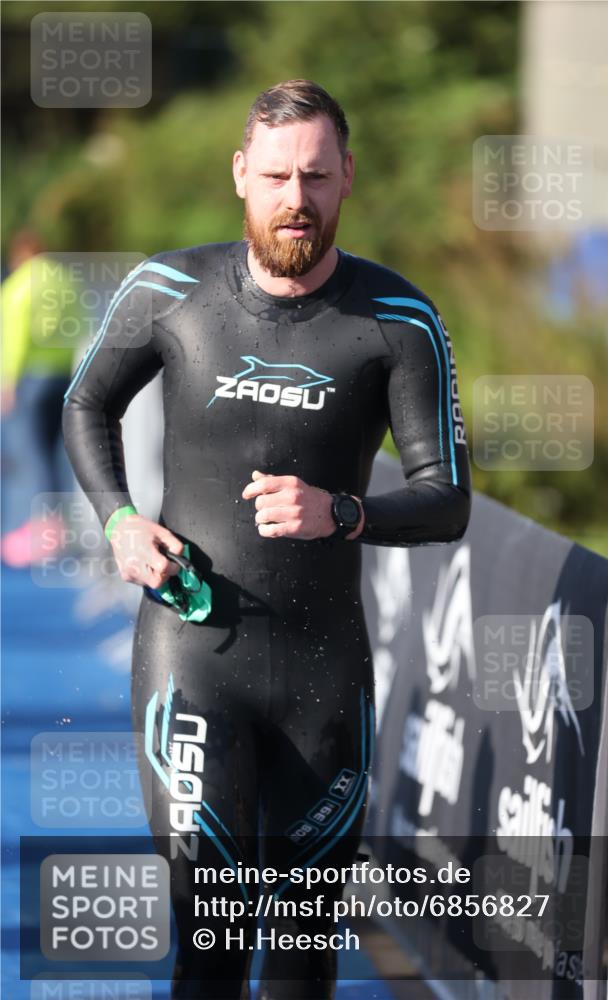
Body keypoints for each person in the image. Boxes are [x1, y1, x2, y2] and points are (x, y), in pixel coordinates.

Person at [62, 80, 472, 1000]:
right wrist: (120, 520)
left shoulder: (399, 323)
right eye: (279, 175)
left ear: (347, 178)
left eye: (317, 177)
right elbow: (86, 402)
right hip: (192, 653)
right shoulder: (169, 290)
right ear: (241, 175)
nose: (297, 199)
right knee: (211, 934)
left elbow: (445, 500)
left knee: (298, 950)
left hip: (323, 670)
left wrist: (343, 512)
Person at [1, 229, 77, 565]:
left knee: (30, 455)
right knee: (54, 453)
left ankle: (40, 533)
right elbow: (81, 321)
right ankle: (57, 530)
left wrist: (7, 380)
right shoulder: (64, 281)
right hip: (62, 374)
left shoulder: (21, 284)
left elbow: (14, 334)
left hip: (30, 377)